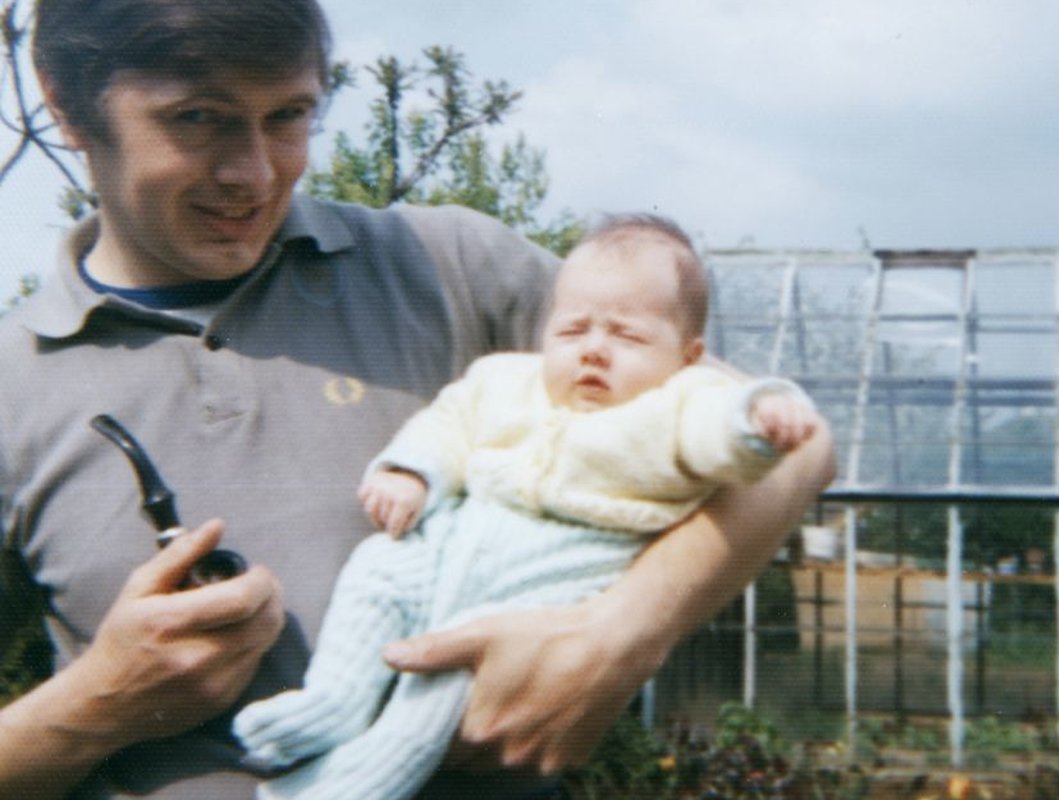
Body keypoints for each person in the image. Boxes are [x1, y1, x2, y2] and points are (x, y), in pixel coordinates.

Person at [0, 0, 834, 798]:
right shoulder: (13, 384)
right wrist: (96, 706)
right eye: (197, 118)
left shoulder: (447, 268)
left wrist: (619, 638)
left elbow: (791, 446)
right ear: (68, 109)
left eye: (289, 116)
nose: (254, 174)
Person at [231, 215, 820, 800]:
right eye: (573, 331)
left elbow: (715, 427)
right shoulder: (505, 381)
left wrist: (756, 420)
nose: (594, 350)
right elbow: (448, 424)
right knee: (377, 568)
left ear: (688, 356)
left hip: (553, 580)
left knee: (444, 692)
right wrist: (411, 472)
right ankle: (335, 698)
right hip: (452, 544)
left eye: (627, 336)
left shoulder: (678, 402)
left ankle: (355, 783)